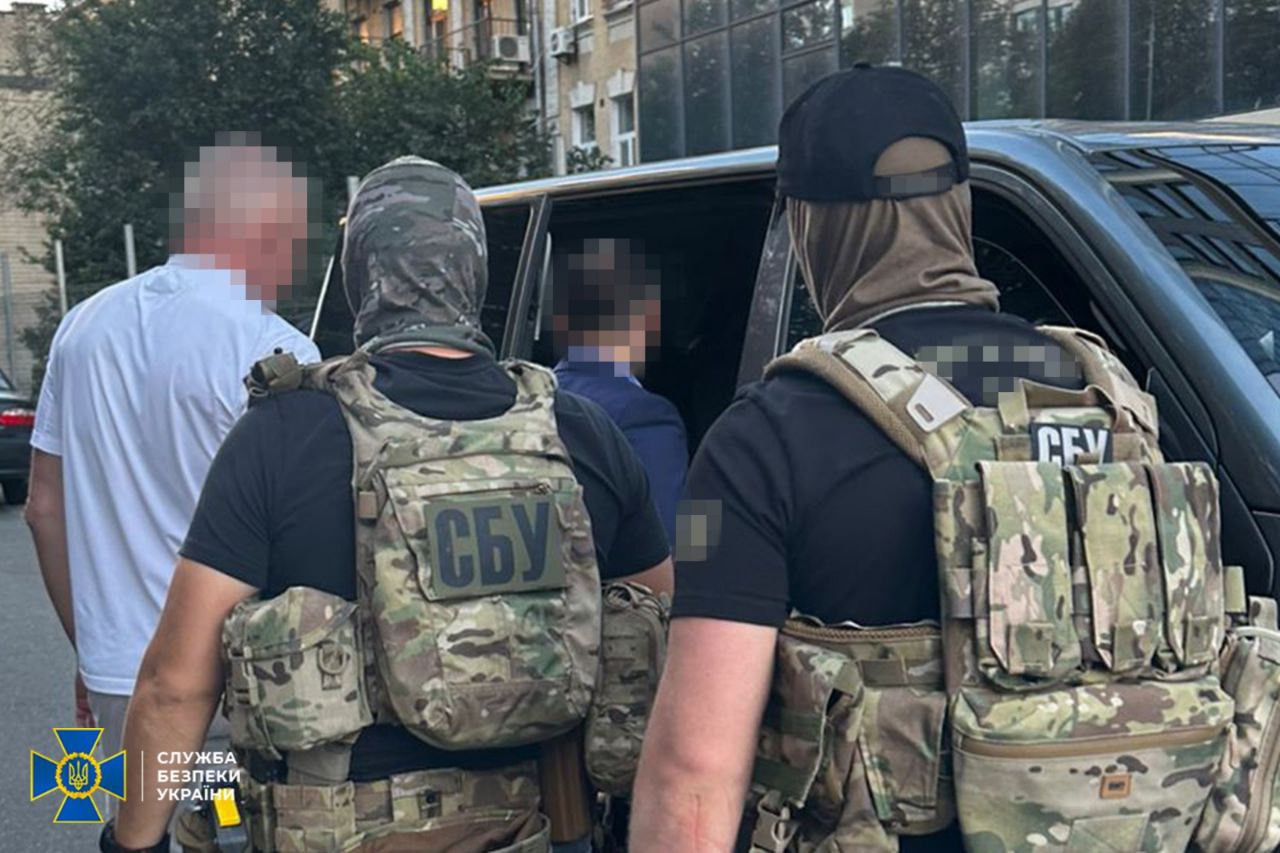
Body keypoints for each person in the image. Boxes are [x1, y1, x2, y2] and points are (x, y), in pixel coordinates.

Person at [106, 157, 673, 853]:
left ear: (360, 277)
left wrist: (131, 842)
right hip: (547, 824)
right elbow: (660, 624)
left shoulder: (282, 434)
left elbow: (175, 684)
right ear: (475, 274)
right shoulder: (580, 432)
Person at [630, 66, 1105, 850]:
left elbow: (694, 779)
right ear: (958, 206)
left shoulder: (754, 443)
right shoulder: (1104, 395)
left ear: (812, 227)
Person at [25, 137, 319, 794]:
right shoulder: (274, 346)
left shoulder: (81, 328)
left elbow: (43, 509)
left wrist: (92, 643)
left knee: (143, 824)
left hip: (115, 674)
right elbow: (305, 532)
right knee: (231, 825)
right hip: (232, 677)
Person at [553, 237, 688, 544]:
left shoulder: (532, 398)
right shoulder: (645, 415)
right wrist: (712, 509)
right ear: (647, 316)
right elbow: (673, 544)